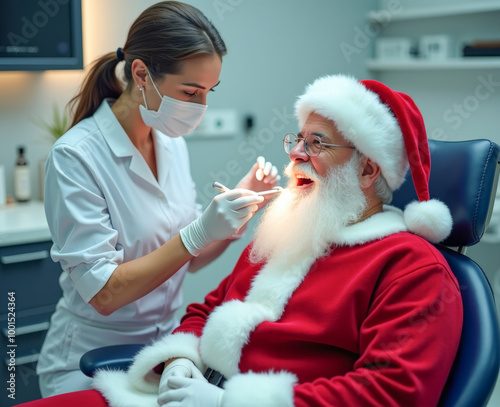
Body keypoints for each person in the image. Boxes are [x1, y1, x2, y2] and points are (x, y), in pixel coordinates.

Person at [22, 74, 462, 407]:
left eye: (318, 144)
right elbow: (205, 309)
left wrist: (226, 401)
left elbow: (394, 391)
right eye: (298, 139)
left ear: (368, 171)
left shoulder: (411, 266)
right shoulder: (290, 230)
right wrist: (180, 360)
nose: (295, 154)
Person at [36, 1, 279, 398]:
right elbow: (104, 294)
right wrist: (198, 232)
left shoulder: (169, 143)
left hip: (162, 354)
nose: (201, 106)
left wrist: (240, 207)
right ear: (141, 74)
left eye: (208, 92)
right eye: (190, 91)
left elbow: (189, 258)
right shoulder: (75, 156)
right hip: (88, 359)